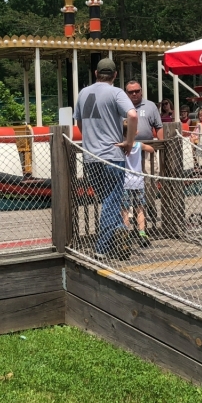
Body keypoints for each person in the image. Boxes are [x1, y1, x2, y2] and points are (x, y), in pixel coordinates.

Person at [73, 58, 137, 259]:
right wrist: (129, 141)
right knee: (112, 202)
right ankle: (101, 249)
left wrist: (90, 141)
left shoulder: (83, 93)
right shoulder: (116, 92)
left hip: (90, 157)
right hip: (111, 156)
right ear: (115, 75)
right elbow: (133, 115)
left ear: (95, 73)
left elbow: (80, 122)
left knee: (107, 202)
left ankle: (119, 241)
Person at [121, 139, 154, 246]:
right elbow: (151, 149)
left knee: (125, 210)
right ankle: (142, 234)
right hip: (138, 181)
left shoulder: (122, 146)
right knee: (139, 209)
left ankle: (126, 235)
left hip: (126, 182)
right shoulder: (139, 145)